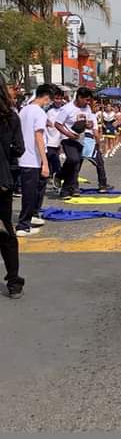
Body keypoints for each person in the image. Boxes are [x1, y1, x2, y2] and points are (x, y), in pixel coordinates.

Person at [16, 84, 53, 237]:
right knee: (30, 193)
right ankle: (23, 225)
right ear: (46, 97)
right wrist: (45, 162)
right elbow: (39, 137)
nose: (49, 103)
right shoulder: (39, 112)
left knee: (37, 188)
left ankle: (30, 216)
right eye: (50, 99)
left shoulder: (24, 109)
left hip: (24, 157)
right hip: (33, 159)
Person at [0, 78, 25, 297]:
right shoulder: (10, 117)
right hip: (2, 180)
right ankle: (14, 281)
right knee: (6, 230)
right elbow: (19, 149)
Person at [54, 87, 97, 199]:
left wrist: (89, 125)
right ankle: (60, 175)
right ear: (79, 97)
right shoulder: (67, 108)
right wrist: (68, 134)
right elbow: (58, 124)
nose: (88, 103)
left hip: (80, 139)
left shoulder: (87, 108)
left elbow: (90, 122)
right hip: (67, 139)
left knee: (75, 166)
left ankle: (65, 190)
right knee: (73, 160)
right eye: (86, 100)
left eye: (89, 100)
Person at [46, 87, 64, 179]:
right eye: (57, 98)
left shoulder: (64, 111)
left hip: (59, 141)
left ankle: (56, 180)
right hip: (49, 141)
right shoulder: (48, 111)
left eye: (60, 98)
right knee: (52, 161)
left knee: (56, 163)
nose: (59, 101)